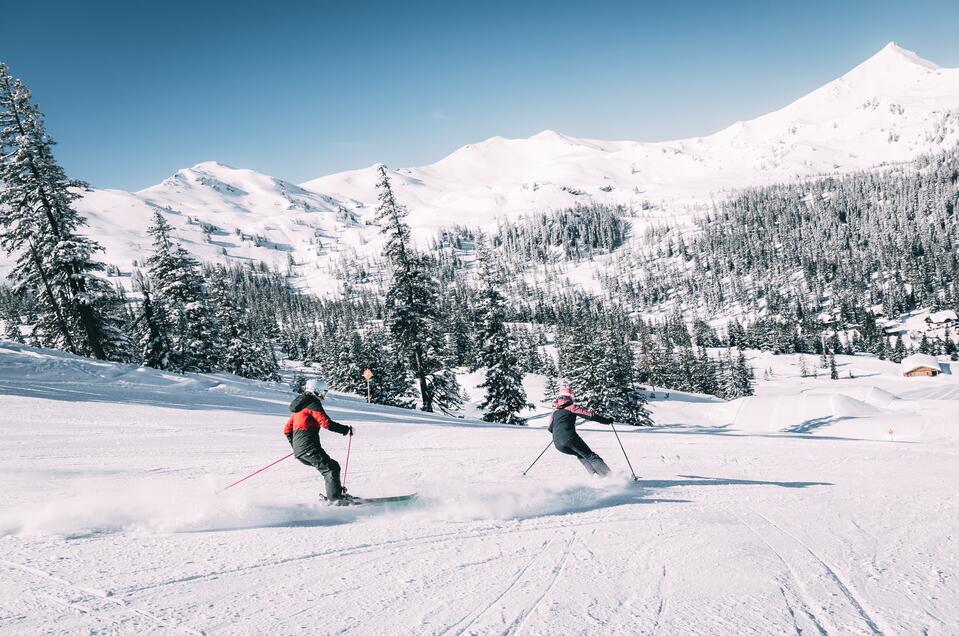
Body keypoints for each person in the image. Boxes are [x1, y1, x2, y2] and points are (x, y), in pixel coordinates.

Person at [284, 378, 354, 504]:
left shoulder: (300, 407)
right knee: (330, 469)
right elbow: (326, 423)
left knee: (333, 466)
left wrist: (296, 447)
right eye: (322, 392)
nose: (323, 395)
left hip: (302, 451)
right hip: (309, 448)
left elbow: (287, 430)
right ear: (315, 391)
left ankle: (335, 494)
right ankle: (335, 500)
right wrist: (345, 430)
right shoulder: (312, 404)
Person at [548, 387, 613, 476]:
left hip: (558, 443)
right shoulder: (571, 407)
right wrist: (606, 421)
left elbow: (550, 428)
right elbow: (590, 415)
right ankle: (610, 476)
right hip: (569, 438)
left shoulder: (555, 412)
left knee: (581, 455)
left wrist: (560, 433)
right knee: (590, 456)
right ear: (570, 398)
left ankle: (595, 475)